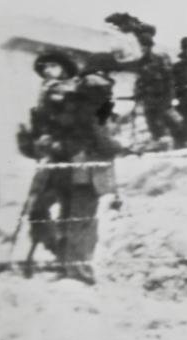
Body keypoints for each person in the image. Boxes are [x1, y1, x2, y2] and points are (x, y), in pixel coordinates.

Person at [17, 51, 120, 284]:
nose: (47, 71)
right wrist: (40, 140)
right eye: (45, 68)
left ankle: (77, 272)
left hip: (81, 163)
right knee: (61, 214)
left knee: (79, 218)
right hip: (64, 164)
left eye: (53, 66)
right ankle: (65, 263)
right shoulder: (59, 96)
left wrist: (112, 146)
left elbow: (95, 129)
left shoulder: (80, 94)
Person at [131, 32, 177, 146]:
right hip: (148, 99)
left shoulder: (159, 60)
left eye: (144, 45)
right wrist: (137, 95)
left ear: (150, 46)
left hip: (161, 98)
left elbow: (169, 80)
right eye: (140, 45)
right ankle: (159, 144)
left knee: (164, 122)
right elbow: (139, 82)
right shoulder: (140, 63)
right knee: (151, 123)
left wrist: (169, 99)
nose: (142, 48)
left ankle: (171, 143)